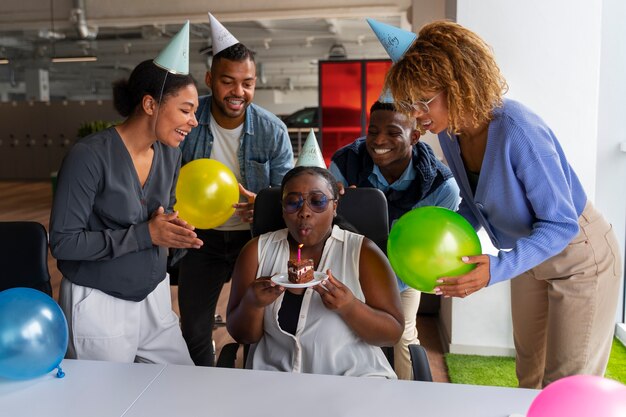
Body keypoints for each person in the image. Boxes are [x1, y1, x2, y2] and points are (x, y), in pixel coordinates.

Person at [384, 20, 622, 388]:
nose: (415, 113)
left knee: (565, 387)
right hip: (529, 255)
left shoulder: (518, 130)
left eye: (423, 101)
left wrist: (495, 269)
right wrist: (440, 237)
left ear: (459, 85)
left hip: (579, 256)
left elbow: (560, 223)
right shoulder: (450, 134)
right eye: (409, 102)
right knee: (529, 375)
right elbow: (478, 204)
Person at [49, 59, 202, 364]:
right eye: (186, 110)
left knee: (180, 386)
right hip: (99, 303)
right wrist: (145, 234)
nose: (194, 121)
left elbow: (162, 217)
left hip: (154, 297)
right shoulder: (88, 156)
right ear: (149, 104)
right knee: (105, 405)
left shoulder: (171, 155)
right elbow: (64, 243)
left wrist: (174, 231)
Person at [177, 40, 293, 366]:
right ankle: (202, 383)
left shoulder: (272, 130)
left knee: (264, 324)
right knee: (195, 327)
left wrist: (266, 206)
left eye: (247, 83)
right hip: (201, 238)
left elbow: (288, 192)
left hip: (254, 240)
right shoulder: (186, 119)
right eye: (228, 81)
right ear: (210, 79)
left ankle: (253, 381)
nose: (237, 91)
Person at [226, 166, 403, 377]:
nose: (304, 212)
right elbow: (243, 336)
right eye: (293, 203)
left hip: (353, 380)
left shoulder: (362, 252)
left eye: (317, 201)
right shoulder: (257, 251)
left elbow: (392, 335)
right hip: (276, 381)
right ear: (283, 208)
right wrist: (252, 304)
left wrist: (350, 307)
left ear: (334, 206)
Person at [329, 98, 460, 380]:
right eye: (373, 131)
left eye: (392, 132)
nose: (379, 140)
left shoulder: (441, 186)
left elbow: (429, 249)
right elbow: (327, 223)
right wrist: (335, 202)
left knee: (401, 334)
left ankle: (409, 400)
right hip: (348, 265)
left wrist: (382, 288)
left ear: (414, 136)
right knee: (338, 331)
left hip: (403, 271)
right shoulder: (345, 162)